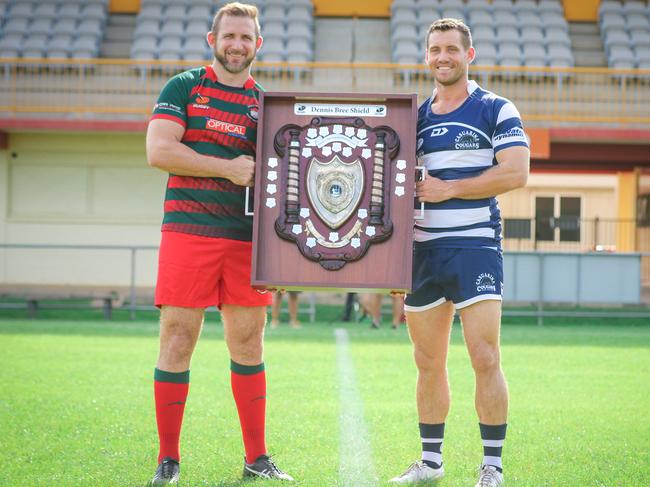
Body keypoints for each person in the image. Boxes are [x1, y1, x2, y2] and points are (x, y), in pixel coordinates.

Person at [145, 3, 293, 484]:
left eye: (246, 38)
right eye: (229, 36)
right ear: (213, 40)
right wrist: (227, 167)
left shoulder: (266, 104)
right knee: (178, 340)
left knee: (249, 344)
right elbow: (159, 150)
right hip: (188, 232)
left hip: (245, 241)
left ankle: (257, 458)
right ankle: (169, 460)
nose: (237, 45)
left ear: (258, 45)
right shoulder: (184, 87)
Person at [388, 18, 529, 487]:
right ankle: (430, 463)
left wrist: (451, 190)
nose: (442, 57)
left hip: (475, 247)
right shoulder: (413, 116)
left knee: (484, 356)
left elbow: (515, 172)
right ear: (426, 57)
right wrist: (387, 255)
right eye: (434, 50)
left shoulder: (495, 108)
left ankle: (492, 465)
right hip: (423, 251)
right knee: (428, 362)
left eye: (451, 49)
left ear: (470, 55)